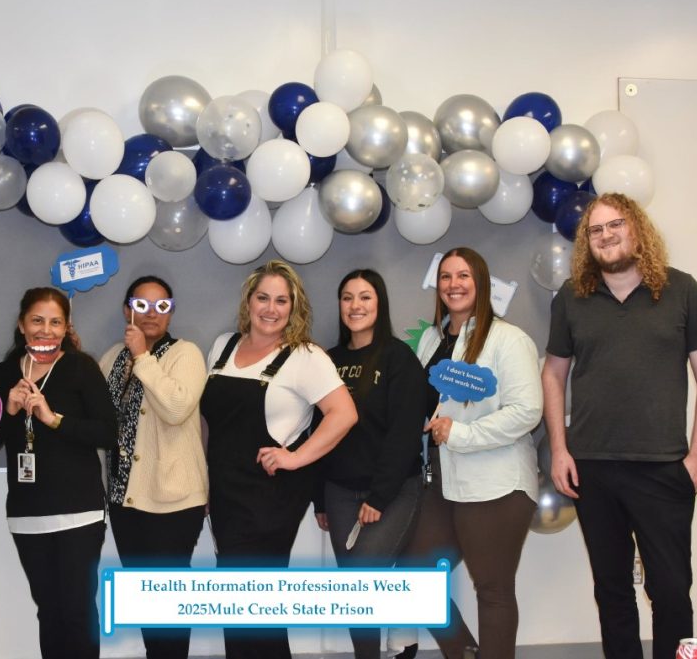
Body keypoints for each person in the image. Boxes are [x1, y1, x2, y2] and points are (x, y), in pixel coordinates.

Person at [541, 193, 697, 659]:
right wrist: (560, 451)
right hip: (592, 469)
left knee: (671, 592)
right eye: (595, 230)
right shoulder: (571, 297)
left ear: (636, 229)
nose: (606, 236)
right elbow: (553, 373)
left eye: (614, 225)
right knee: (612, 591)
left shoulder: (682, 290)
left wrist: (696, 458)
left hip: (663, 468)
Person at [200, 259, 357, 659]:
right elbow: (208, 420)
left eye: (281, 301)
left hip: (269, 500)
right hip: (225, 494)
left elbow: (344, 414)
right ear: (249, 302)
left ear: (294, 307)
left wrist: (296, 458)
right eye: (263, 298)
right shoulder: (223, 346)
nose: (271, 309)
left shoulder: (305, 356)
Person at [396, 247, 542, 659]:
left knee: (492, 590)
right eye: (445, 277)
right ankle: (466, 652)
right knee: (415, 576)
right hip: (441, 481)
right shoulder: (431, 339)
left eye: (463, 276)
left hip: (495, 484)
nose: (453, 284)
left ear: (480, 283)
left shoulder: (508, 339)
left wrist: (461, 434)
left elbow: (527, 411)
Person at [0, 287, 116, 659]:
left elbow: (108, 433)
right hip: (28, 515)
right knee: (50, 612)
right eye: (37, 320)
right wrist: (8, 410)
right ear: (22, 325)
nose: (46, 329)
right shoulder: (3, 374)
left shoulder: (81, 368)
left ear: (66, 327)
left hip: (79, 512)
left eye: (55, 322)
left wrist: (54, 419)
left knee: (77, 612)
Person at [314, 269, 429, 659]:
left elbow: (404, 433)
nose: (355, 305)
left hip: (393, 491)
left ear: (379, 303)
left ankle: (400, 648)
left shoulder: (399, 358)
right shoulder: (327, 361)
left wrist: (380, 496)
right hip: (340, 492)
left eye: (365, 297)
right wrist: (321, 500)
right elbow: (318, 431)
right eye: (347, 297)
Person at [99, 275, 208, 659]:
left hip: (173, 499)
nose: (150, 314)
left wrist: (144, 357)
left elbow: (177, 409)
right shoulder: (112, 357)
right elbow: (97, 420)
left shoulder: (186, 354)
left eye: (161, 306)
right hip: (124, 498)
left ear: (171, 311)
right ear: (127, 309)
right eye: (141, 304)